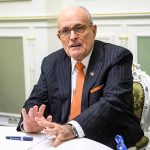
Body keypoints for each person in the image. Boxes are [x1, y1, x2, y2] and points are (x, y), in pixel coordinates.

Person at [17, 6, 144, 149]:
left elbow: (113, 102)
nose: (72, 36)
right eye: (65, 31)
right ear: (59, 37)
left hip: (109, 137)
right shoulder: (51, 62)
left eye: (79, 28)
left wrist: (71, 129)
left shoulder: (117, 56)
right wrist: (28, 122)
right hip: (63, 140)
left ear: (94, 30)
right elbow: (36, 99)